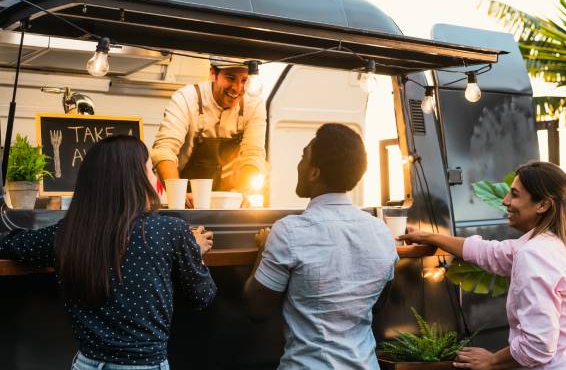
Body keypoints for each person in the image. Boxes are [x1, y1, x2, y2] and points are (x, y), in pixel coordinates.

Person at [0, 135, 217, 370]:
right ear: (134, 179)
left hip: (86, 364)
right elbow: (202, 296)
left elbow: (9, 244)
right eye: (151, 169)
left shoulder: (65, 233)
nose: (155, 178)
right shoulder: (171, 230)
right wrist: (193, 251)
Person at [400, 161, 566, 369]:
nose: (505, 201)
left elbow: (538, 346)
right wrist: (430, 236)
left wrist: (492, 360)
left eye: (514, 194)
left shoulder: (534, 254)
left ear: (543, 205)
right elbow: (489, 253)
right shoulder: (558, 244)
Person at [243, 123, 399, 369]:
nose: (299, 164)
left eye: (303, 156)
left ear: (314, 173)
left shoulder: (289, 231)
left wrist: (264, 247)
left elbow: (256, 309)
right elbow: (378, 305)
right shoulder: (382, 232)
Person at [150, 58, 267, 206]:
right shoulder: (187, 97)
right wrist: (178, 197)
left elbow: (253, 154)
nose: (237, 88)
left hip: (230, 199)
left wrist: (242, 191)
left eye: (244, 80)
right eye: (230, 78)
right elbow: (164, 150)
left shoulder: (254, 104)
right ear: (213, 73)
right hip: (186, 198)